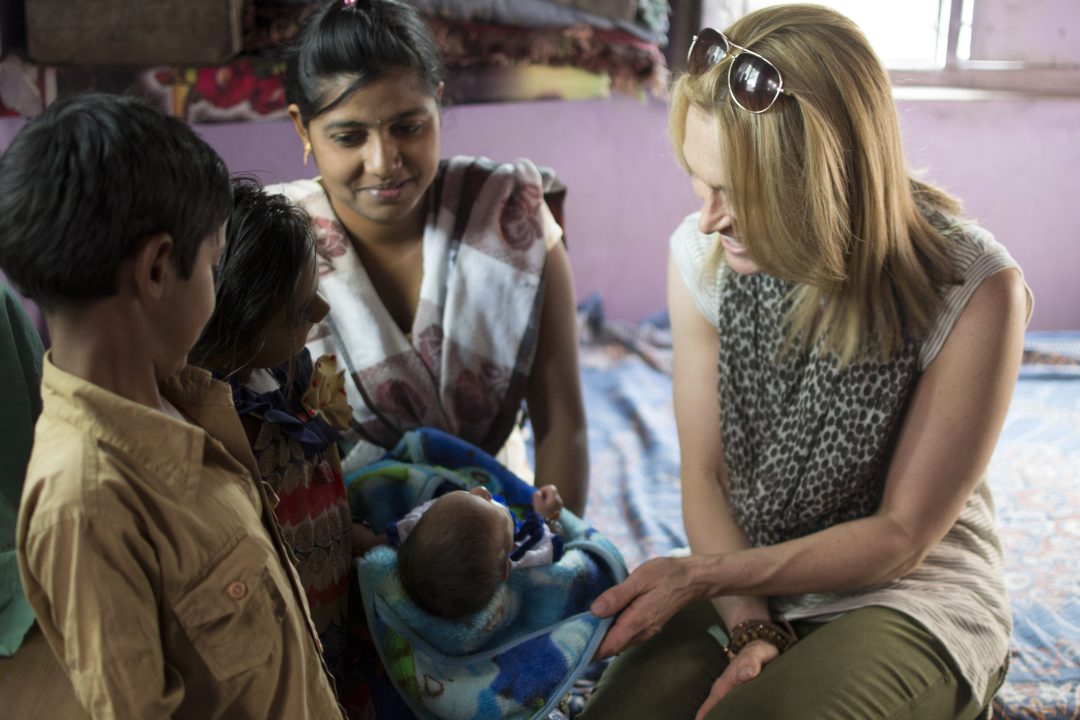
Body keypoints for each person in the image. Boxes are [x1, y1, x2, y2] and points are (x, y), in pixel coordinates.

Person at [581, 6, 1031, 720]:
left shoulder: (973, 288)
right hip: (747, 576)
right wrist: (748, 623)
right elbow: (706, 477)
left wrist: (704, 575)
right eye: (700, 182)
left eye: (738, 195)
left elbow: (902, 537)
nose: (709, 219)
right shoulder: (702, 258)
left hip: (909, 591)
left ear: (825, 180)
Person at [0, 93, 344, 719]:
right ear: (158, 269)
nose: (217, 283)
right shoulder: (87, 504)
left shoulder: (189, 403)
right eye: (212, 263)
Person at [270, 0, 589, 516]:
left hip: (499, 511)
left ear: (437, 105)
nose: (384, 162)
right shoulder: (274, 245)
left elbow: (562, 426)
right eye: (349, 137)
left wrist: (553, 544)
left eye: (408, 127)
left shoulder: (512, 220)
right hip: (340, 525)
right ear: (302, 129)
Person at [189, 178, 360, 688]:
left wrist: (356, 537)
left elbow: (330, 475)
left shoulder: (295, 375)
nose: (322, 313)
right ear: (228, 336)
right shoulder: (221, 432)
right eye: (298, 313)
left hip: (337, 603)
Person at [364, 484, 564, 619]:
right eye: (502, 517)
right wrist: (547, 515)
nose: (481, 490)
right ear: (505, 568)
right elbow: (552, 541)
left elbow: (375, 542)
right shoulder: (526, 552)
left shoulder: (415, 530)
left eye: (467, 493)